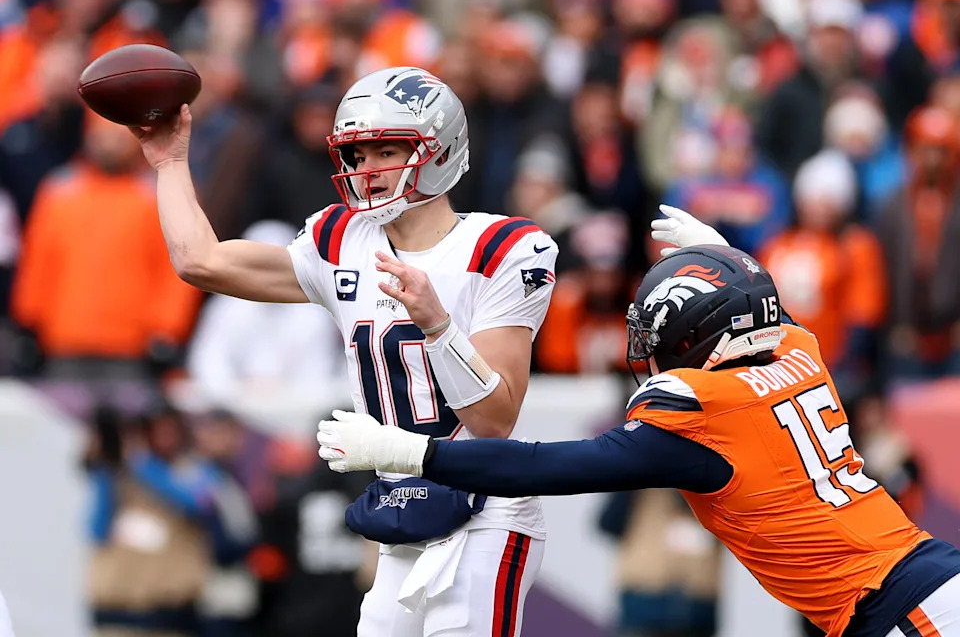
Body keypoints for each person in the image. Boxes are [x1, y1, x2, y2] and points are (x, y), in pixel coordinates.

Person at [317, 206, 960, 637]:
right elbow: (764, 305)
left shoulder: (703, 408)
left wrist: (411, 453)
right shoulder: (799, 351)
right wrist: (722, 255)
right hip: (917, 578)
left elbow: (547, 466)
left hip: (896, 603)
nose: (652, 356)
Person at [132, 66, 559, 637]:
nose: (367, 169)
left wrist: (436, 324)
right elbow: (200, 261)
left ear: (439, 149)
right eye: (357, 155)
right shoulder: (341, 241)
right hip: (403, 507)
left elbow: (493, 420)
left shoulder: (503, 248)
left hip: (485, 510)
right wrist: (170, 163)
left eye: (386, 150)